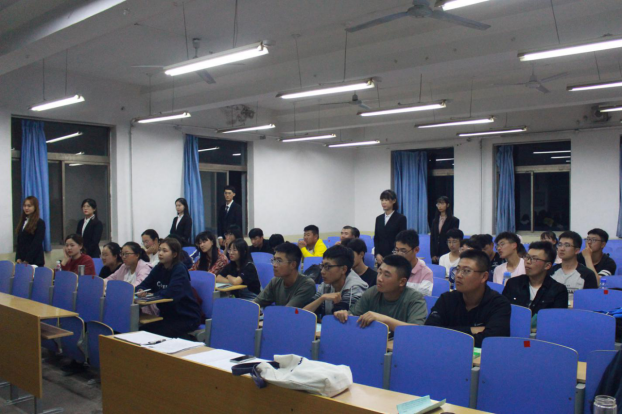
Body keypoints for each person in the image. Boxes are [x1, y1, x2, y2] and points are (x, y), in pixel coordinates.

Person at [425, 250, 512, 348]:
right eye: (457, 269)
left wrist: (447, 332)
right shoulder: (446, 299)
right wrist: (472, 330)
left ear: (484, 276)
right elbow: (430, 332)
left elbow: (491, 341)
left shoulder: (499, 304)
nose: (458, 275)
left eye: (466, 271)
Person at [334, 255, 428, 331]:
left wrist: (382, 319)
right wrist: (345, 315)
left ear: (402, 282)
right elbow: (354, 315)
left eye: (386, 275)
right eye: (379, 272)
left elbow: (415, 330)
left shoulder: (415, 298)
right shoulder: (372, 292)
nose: (379, 278)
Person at [136, 238, 202, 339]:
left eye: (165, 251)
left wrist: (151, 295)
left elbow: (171, 292)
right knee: (142, 330)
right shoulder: (159, 268)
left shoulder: (179, 269)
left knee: (152, 333)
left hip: (186, 316)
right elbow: (144, 285)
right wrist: (141, 290)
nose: (160, 253)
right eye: (159, 250)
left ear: (174, 254)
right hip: (167, 316)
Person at [503, 242, 568, 327]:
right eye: (527, 257)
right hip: (514, 330)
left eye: (534, 259)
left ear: (547, 265)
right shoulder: (513, 283)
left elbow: (557, 322)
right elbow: (502, 312)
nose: (528, 262)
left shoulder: (558, 290)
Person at [304, 245, 368, 319]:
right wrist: (321, 298)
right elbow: (305, 314)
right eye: (322, 266)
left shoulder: (355, 288)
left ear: (343, 269)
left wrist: (337, 303)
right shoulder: (326, 284)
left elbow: (341, 321)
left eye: (327, 267)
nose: (322, 271)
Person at [254, 243, 316, 308]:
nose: (274, 265)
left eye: (279, 261)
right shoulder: (275, 281)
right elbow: (256, 303)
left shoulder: (307, 285)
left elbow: (287, 311)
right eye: (274, 260)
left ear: (293, 265)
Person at [551, 231, 599, 297]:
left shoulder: (587, 274)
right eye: (560, 244)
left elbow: (589, 299)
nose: (562, 248)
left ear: (577, 250)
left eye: (567, 245)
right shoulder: (551, 272)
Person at [394, 230, 434, 297]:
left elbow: (420, 299)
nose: (399, 254)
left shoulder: (426, 273)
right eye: (397, 250)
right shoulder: (394, 269)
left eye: (403, 251)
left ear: (416, 250)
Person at [374, 190, 407, 266]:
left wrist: (394, 254)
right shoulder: (379, 218)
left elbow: (401, 239)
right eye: (382, 200)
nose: (383, 202)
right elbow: (376, 238)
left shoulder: (401, 218)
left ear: (394, 201)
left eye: (386, 200)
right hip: (380, 257)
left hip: (394, 256)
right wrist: (377, 254)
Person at [15, 196, 46, 267]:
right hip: (22, 261)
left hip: (34, 261)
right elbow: (19, 242)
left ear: (35, 207)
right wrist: (18, 258)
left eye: (29, 206)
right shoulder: (23, 222)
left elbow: (36, 243)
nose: (26, 208)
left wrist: (27, 260)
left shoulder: (40, 223)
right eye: (24, 206)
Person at [430, 196, 460, 265]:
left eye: (442, 203)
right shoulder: (435, 220)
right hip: (436, 252)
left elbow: (453, 237)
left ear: (447, 205)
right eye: (438, 204)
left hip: (447, 251)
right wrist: (433, 254)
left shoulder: (454, 220)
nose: (440, 206)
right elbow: (432, 238)